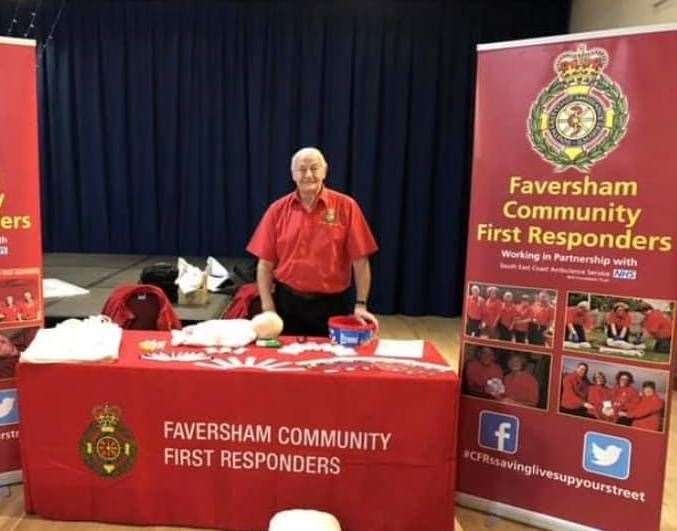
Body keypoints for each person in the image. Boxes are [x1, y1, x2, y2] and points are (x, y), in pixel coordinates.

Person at [247, 147, 378, 337]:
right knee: (288, 362)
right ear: (293, 175)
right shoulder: (277, 210)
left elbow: (361, 261)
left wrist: (361, 304)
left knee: (331, 363)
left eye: (314, 168)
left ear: (325, 171)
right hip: (287, 304)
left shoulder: (346, 207)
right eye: (301, 169)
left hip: (333, 305)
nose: (308, 174)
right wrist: (268, 309)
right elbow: (265, 265)